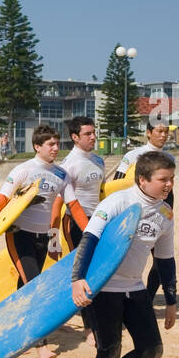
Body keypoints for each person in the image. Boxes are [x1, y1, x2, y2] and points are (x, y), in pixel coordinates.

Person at [71, 151, 176, 358]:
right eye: (162, 179)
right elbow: (88, 240)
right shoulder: (117, 202)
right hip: (103, 289)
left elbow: (165, 260)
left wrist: (171, 300)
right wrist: (77, 280)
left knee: (151, 349)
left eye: (171, 179)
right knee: (109, 352)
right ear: (142, 180)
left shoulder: (165, 214)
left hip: (135, 288)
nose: (168, 185)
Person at [0, 126, 87, 358]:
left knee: (25, 285)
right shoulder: (23, 170)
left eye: (57, 144)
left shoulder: (61, 175)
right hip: (19, 235)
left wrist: (90, 234)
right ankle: (40, 345)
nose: (55, 148)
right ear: (37, 146)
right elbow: (0, 202)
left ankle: (13, 324)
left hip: (42, 237)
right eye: (50, 145)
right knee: (35, 287)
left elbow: (74, 207)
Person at [112, 120, 176, 294]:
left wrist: (168, 213)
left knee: (159, 258)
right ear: (148, 132)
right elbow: (117, 183)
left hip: (160, 213)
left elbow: (169, 191)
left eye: (166, 132)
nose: (163, 135)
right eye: (159, 131)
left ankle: (148, 296)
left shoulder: (169, 158)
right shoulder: (133, 155)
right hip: (136, 213)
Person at [60, 116, 105, 342]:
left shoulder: (98, 161)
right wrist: (51, 233)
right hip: (76, 223)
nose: (93, 137)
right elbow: (61, 201)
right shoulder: (68, 165)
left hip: (98, 220)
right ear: (75, 137)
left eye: (93, 132)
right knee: (82, 272)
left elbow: (103, 193)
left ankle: (99, 317)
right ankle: (88, 326)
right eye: (87, 134)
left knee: (99, 269)